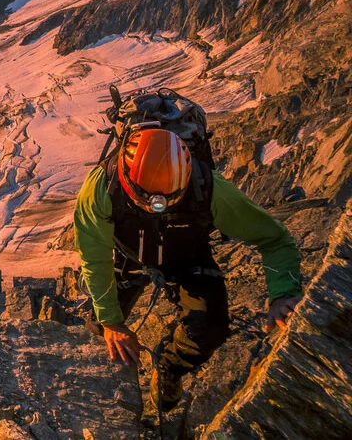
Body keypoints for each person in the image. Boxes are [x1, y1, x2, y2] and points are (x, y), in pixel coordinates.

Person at [74, 126, 303, 412]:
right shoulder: (100, 187)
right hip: (128, 254)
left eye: (170, 199)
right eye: (149, 200)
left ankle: (168, 368)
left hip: (186, 255)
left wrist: (283, 292)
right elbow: (94, 258)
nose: (158, 207)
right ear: (125, 180)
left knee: (210, 330)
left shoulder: (210, 188)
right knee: (100, 334)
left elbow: (274, 239)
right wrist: (110, 322)